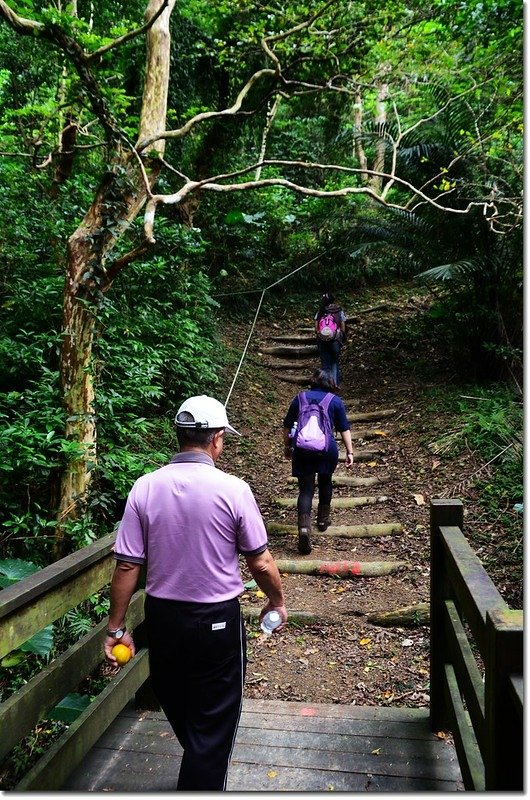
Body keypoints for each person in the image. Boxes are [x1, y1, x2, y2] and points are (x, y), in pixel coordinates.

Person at [104, 395, 287, 792]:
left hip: (163, 618)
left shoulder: (145, 486)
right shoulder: (234, 490)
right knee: (215, 722)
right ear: (217, 439)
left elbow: (126, 565)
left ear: (179, 435)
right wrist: (276, 601)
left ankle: (202, 760)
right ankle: (203, 771)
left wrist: (116, 628)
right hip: (216, 621)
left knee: (177, 697)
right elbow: (260, 562)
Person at [282, 369, 354, 554]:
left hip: (303, 448)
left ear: (313, 381)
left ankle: (304, 528)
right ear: (331, 383)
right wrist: (350, 452)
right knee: (325, 481)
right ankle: (323, 520)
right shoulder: (335, 401)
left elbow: (287, 425)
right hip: (326, 448)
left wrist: (288, 447)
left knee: (305, 489)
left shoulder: (300, 398)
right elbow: (344, 428)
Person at [314, 292, 347, 386]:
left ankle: (325, 386)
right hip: (335, 341)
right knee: (335, 362)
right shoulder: (339, 311)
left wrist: (321, 336)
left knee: (325, 364)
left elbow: (316, 329)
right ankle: (335, 385)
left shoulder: (320, 311)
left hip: (322, 341)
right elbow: (343, 328)